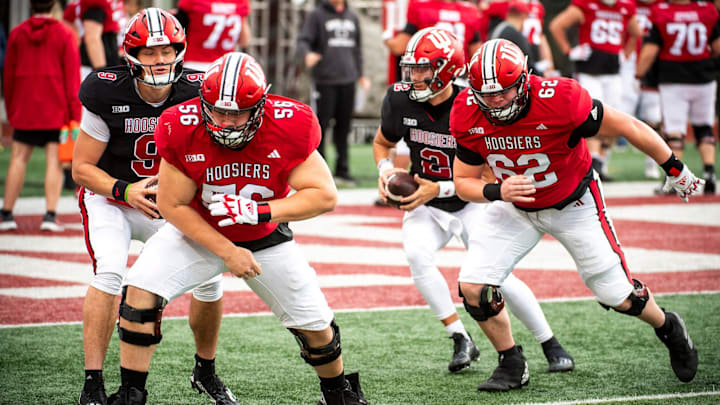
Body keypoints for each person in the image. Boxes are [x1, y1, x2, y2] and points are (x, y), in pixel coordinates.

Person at [113, 51, 368, 405]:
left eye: (237, 113)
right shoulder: (180, 124)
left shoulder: (289, 123)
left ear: (261, 106)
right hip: (197, 232)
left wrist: (261, 211)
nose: (226, 121)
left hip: (265, 238)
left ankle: (337, 394)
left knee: (317, 329)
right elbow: (172, 205)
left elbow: (324, 196)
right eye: (217, 110)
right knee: (138, 296)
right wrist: (228, 251)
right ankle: (131, 394)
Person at [449, 38, 702, 392]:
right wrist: (496, 191)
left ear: (524, 78)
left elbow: (629, 126)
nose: (495, 101)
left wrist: (675, 168)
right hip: (514, 206)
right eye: (486, 94)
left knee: (618, 295)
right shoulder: (466, 110)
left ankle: (668, 327)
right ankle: (511, 361)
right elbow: (462, 182)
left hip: (573, 201)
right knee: (473, 286)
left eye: (503, 92)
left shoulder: (561, 100)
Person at [373, 27, 574, 375]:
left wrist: (440, 188)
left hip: (472, 202)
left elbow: (489, 177)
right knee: (417, 256)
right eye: (412, 68)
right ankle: (459, 336)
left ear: (448, 68)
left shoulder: (473, 104)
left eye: (424, 69)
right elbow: (382, 142)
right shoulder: (399, 99)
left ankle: (549, 342)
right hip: (426, 203)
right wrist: (386, 170)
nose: (415, 77)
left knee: (498, 277)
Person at [72, 8, 236, 405]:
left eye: (166, 50)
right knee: (110, 273)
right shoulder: (105, 89)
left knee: (210, 279)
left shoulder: (197, 89)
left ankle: (206, 369)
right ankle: (93, 381)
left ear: (179, 50)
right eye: (149, 52)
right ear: (132, 55)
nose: (160, 60)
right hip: (113, 195)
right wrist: (126, 191)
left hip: (167, 202)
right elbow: (81, 168)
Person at [383, 0, 484, 185]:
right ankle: (399, 184)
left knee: (414, 131)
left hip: (435, 78)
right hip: (454, 78)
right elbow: (477, 54)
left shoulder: (421, 7)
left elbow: (399, 46)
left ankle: (401, 184)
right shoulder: (471, 12)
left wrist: (387, 36)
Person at [1, 0, 81, 232]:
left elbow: (8, 74)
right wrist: (75, 114)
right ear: (54, 5)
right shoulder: (64, 34)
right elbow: (72, 77)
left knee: (17, 159)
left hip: (25, 108)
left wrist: (11, 107)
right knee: (54, 163)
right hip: (56, 109)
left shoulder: (17, 33)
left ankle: (6, 213)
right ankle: (50, 215)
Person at [549, 0, 642, 182]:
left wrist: (626, 54)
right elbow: (556, 26)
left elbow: (636, 33)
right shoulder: (587, 5)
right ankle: (593, 163)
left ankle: (600, 163)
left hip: (613, 72)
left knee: (614, 118)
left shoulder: (625, 7)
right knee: (591, 115)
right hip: (589, 71)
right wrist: (569, 50)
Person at [636, 0, 720, 195]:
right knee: (704, 126)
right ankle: (709, 174)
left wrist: (639, 73)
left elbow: (650, 50)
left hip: (673, 78)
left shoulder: (661, 12)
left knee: (674, 130)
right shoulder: (705, 10)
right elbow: (717, 47)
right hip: (703, 77)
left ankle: (677, 179)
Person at [296, 0, 370, 187]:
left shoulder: (352, 16)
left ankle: (343, 171)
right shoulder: (317, 15)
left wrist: (361, 75)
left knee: (344, 128)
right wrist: (307, 54)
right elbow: (304, 40)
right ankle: (320, 172)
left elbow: (357, 48)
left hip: (348, 79)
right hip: (325, 80)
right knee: (321, 127)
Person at [174, 0, 251, 72]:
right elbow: (244, 41)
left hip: (194, 64)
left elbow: (177, 33)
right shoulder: (240, 2)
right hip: (226, 66)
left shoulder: (193, 2)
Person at [79, 0, 123, 80]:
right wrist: (102, 73)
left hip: (107, 60)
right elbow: (92, 39)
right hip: (96, 66)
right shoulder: (97, 3)